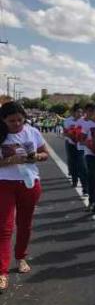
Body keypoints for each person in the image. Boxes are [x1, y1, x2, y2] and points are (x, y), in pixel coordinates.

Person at [0, 102, 48, 293]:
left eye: (20, 120)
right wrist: (10, 160)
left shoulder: (32, 132)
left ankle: (21, 256)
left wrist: (36, 157)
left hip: (29, 183)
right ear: (3, 120)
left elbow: (46, 154)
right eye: (11, 121)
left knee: (25, 223)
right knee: (4, 227)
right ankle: (2, 271)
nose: (17, 124)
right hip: (4, 184)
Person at [82, 103, 95, 213]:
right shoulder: (87, 124)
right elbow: (82, 139)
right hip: (90, 154)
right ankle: (91, 201)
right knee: (92, 177)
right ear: (92, 113)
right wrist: (89, 144)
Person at [63, 104, 82, 183]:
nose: (80, 114)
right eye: (78, 112)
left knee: (80, 161)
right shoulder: (68, 121)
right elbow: (65, 132)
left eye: (81, 112)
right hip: (70, 143)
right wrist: (72, 137)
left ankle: (80, 176)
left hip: (80, 144)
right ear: (74, 112)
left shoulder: (83, 120)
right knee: (72, 160)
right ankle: (74, 177)